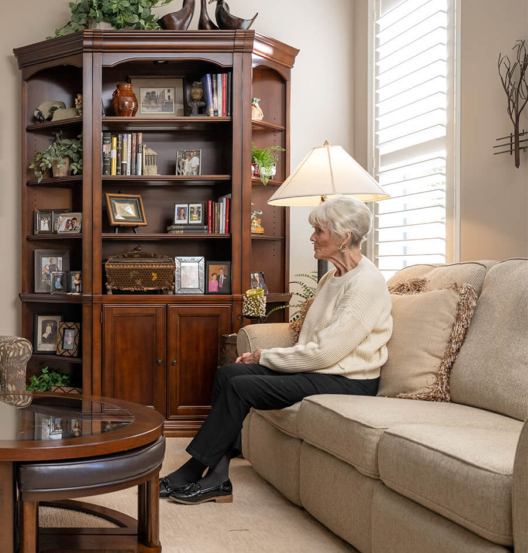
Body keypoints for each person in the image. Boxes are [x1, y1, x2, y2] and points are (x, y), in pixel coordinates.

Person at [161, 195, 393, 504]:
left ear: (344, 237)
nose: (312, 237)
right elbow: (312, 341)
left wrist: (264, 356)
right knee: (228, 373)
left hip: (349, 380)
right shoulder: (332, 276)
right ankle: (217, 478)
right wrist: (269, 360)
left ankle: (193, 471)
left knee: (241, 387)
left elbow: (326, 353)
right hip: (322, 371)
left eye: (319, 231)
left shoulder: (366, 283)